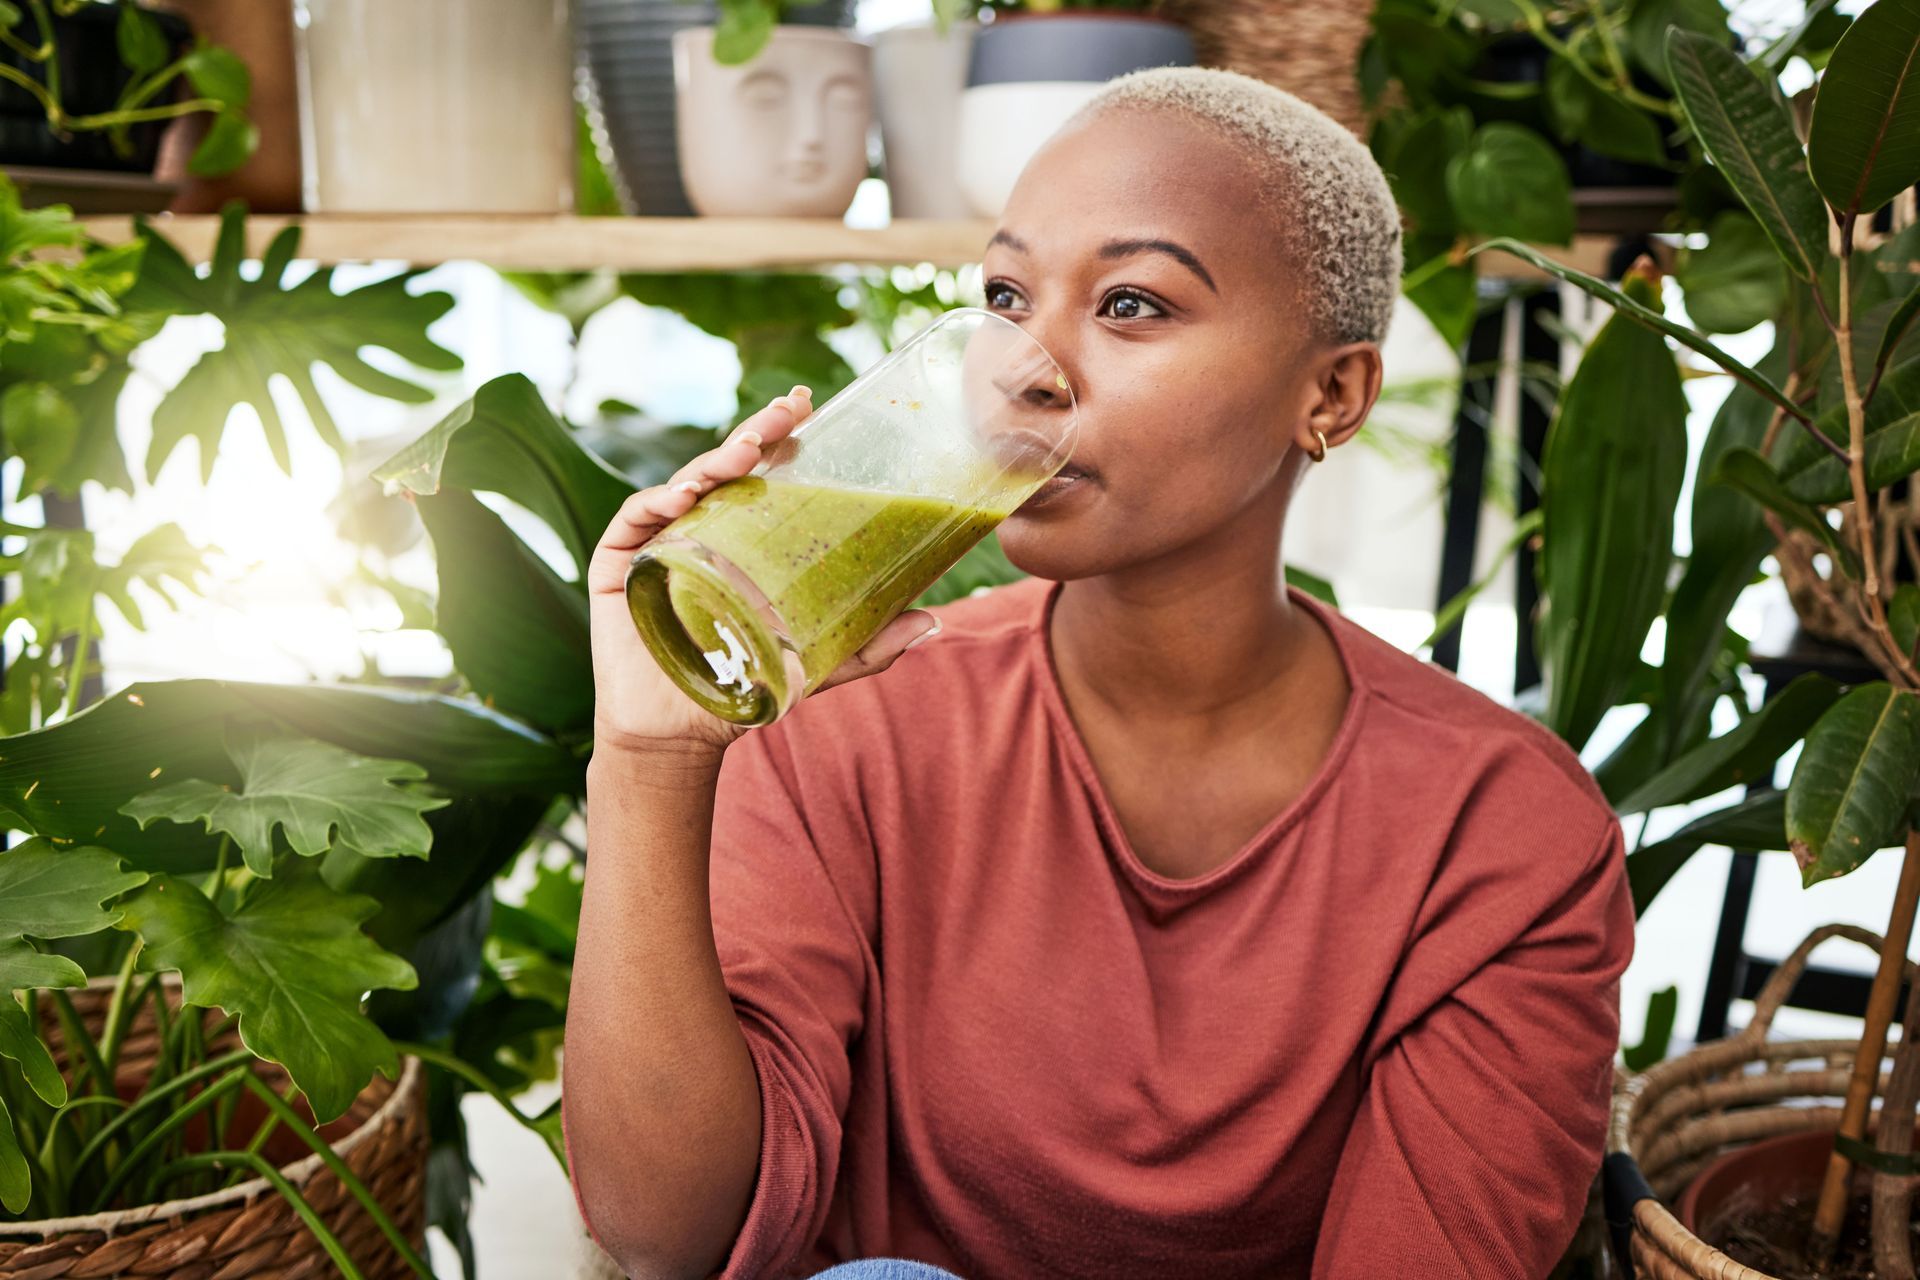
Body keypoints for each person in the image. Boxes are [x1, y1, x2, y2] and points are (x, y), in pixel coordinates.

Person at [563, 64, 1635, 1280]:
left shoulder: (1502, 837)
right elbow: (665, 1230)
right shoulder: (844, 714)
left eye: (1131, 304)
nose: (1026, 367)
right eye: (1008, 296)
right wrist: (649, 754)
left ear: (1331, 394)